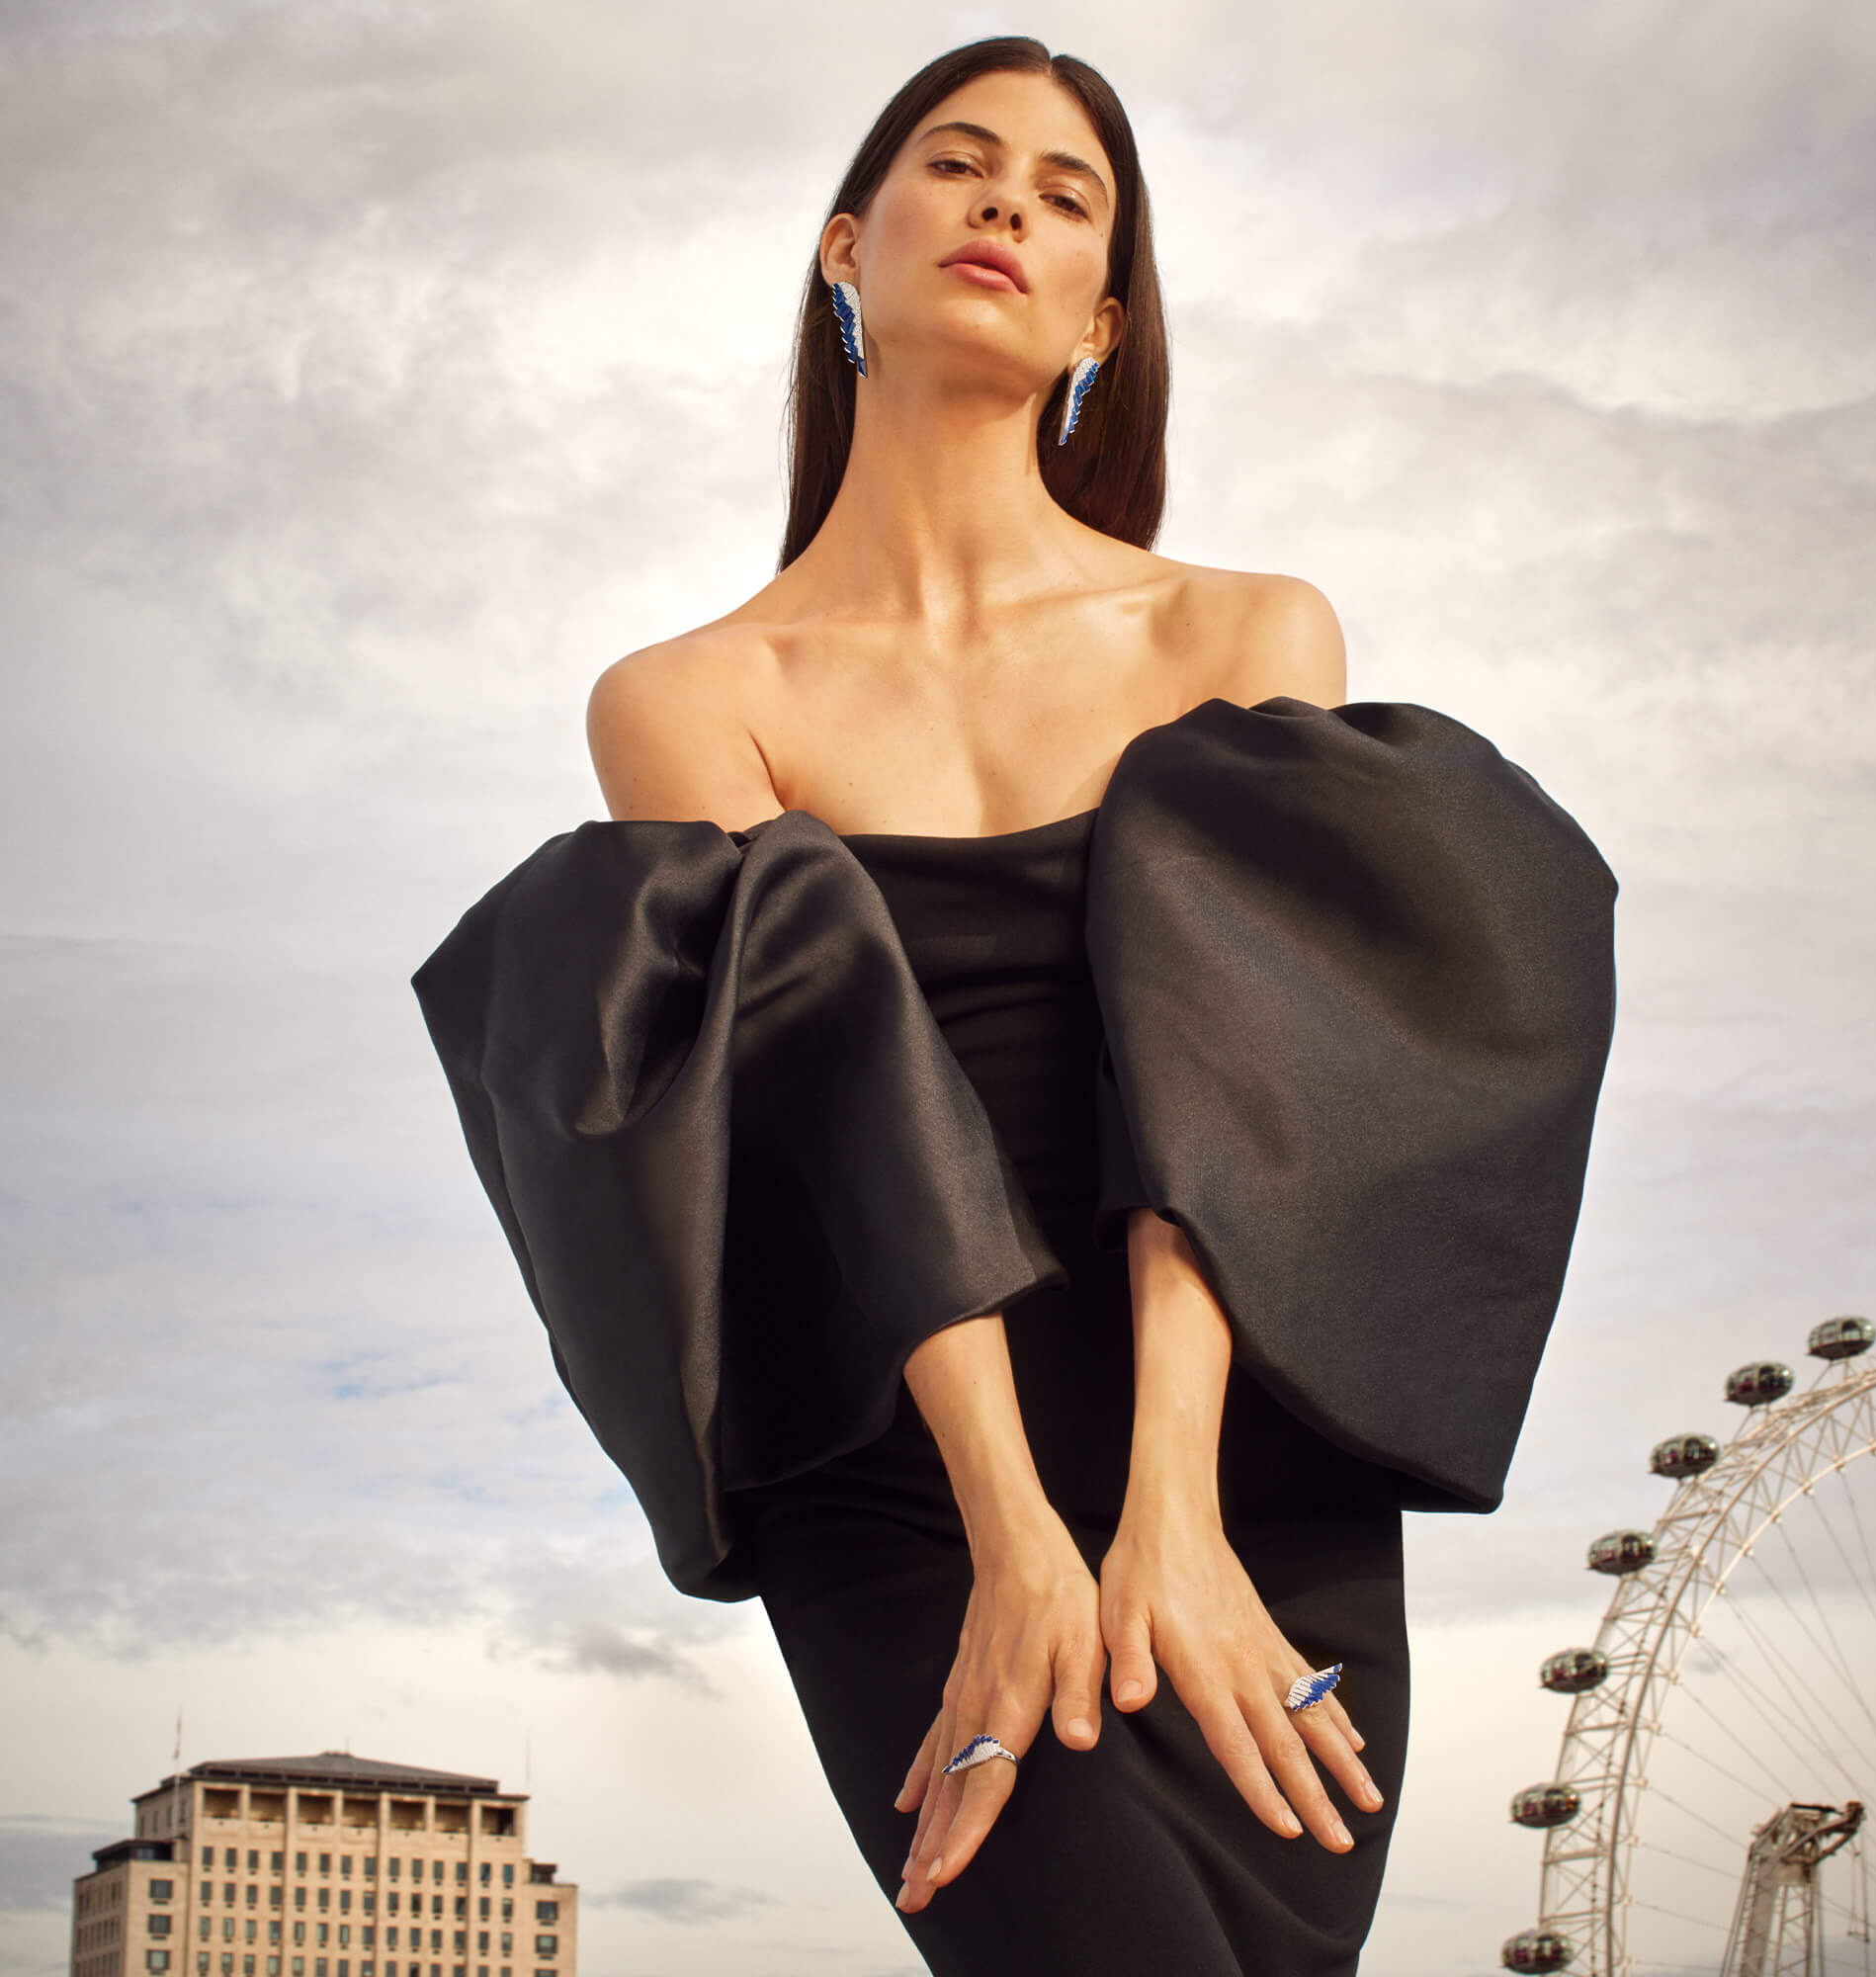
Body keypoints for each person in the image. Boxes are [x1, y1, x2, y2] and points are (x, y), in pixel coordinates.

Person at [410, 35, 1618, 1977]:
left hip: (1235, 1461)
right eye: (958, 166)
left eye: (1065, 197)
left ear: (1100, 321)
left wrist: (1164, 1516)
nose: (1003, 206)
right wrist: (1015, 1531)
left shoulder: (1243, 633)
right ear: (841, 245)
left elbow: (1251, 1062)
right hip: (907, 1478)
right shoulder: (688, 693)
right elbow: (810, 1086)